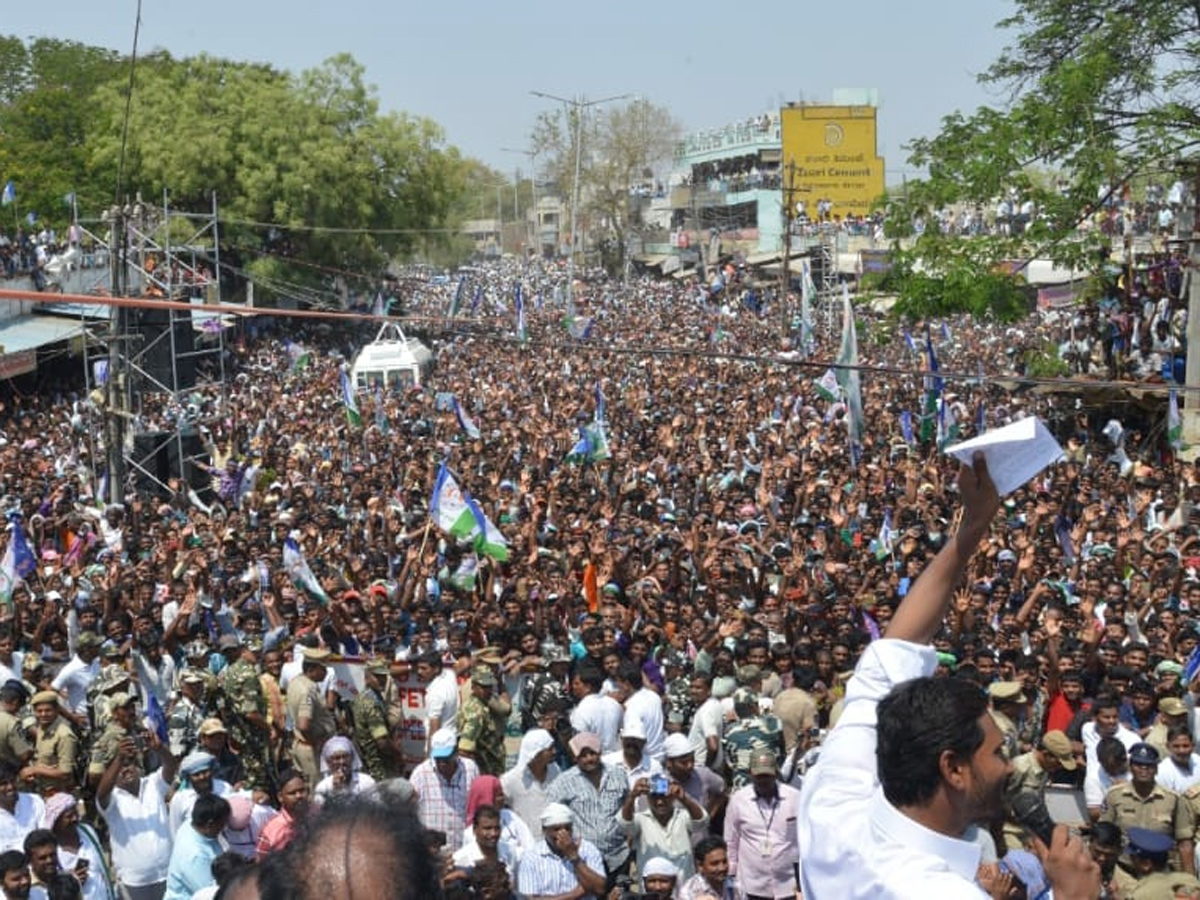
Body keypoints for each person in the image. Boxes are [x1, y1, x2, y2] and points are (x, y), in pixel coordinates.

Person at [797, 455, 1101, 899]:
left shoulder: (835, 811)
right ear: (954, 768)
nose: (1011, 766)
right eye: (997, 753)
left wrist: (973, 526)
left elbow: (890, 651)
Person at [96, 734, 177, 900]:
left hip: (168, 874)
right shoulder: (111, 800)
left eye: (129, 764)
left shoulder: (153, 784)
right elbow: (101, 794)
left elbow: (171, 766)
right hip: (134, 883)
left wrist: (160, 749)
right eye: (120, 767)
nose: (126, 769)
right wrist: (119, 758)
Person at [546, 733, 630, 884]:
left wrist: (629, 839)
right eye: (583, 755)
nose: (589, 759)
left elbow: (627, 806)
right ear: (574, 758)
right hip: (584, 859)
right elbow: (551, 815)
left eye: (592, 753)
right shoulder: (563, 782)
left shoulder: (618, 774)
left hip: (618, 856)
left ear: (600, 752)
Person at [1100, 742, 1194, 874]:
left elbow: (1185, 844)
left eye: (1149, 765)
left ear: (1156, 769)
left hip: (1161, 872)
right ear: (1130, 767)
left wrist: (1189, 883)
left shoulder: (1173, 800)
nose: (1144, 769)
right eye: (1138, 764)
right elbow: (1104, 835)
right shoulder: (1114, 796)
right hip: (1124, 870)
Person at [722, 750, 798, 900]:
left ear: (776, 773)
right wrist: (731, 876)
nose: (763, 780)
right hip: (752, 885)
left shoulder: (795, 798)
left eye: (767, 776)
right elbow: (731, 840)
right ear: (750, 773)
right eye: (759, 776)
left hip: (789, 885)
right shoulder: (738, 800)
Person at [619, 774, 708, 880]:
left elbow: (701, 822)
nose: (660, 802)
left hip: (683, 888)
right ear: (647, 798)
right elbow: (625, 826)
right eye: (654, 797)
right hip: (653, 889)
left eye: (664, 796)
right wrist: (632, 796)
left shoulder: (683, 816)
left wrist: (684, 799)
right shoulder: (640, 819)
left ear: (672, 796)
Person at [516, 804, 606, 900]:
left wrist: (574, 857)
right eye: (556, 829)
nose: (563, 834)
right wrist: (574, 894)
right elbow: (530, 898)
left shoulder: (587, 849)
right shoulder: (531, 856)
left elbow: (600, 888)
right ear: (544, 830)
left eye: (567, 828)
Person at [410, 727, 479, 853]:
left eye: (446, 758)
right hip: (433, 853)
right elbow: (410, 813)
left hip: (463, 850)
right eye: (438, 758)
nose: (442, 763)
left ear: (456, 751)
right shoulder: (420, 774)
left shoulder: (470, 769)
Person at [41, 794, 114, 900]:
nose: (75, 818)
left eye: (75, 813)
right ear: (56, 821)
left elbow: (102, 868)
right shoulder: (51, 849)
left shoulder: (87, 831)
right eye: (69, 816)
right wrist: (70, 878)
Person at [284, 647, 335, 788]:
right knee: (316, 788)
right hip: (310, 749)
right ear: (312, 669)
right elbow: (304, 725)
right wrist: (316, 742)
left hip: (303, 745)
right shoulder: (308, 690)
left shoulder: (296, 681)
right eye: (323, 669)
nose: (326, 673)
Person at [164, 794, 230, 900]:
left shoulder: (190, 824)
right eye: (222, 824)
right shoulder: (195, 856)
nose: (224, 827)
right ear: (210, 824)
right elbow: (210, 894)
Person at [500, 729, 559, 840]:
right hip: (526, 843)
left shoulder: (555, 771)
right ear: (537, 754)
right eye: (549, 749)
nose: (554, 751)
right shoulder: (510, 780)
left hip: (552, 842)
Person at [458, 667, 507, 777]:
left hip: (492, 768)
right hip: (485, 771)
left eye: (490, 686)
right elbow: (464, 749)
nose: (488, 690)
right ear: (473, 687)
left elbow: (506, 709)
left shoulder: (483, 704)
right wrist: (478, 772)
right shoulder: (476, 712)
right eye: (483, 687)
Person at [255, 769, 309, 859]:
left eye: (302, 790)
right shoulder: (270, 831)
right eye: (292, 793)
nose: (299, 796)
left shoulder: (319, 814)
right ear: (280, 797)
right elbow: (261, 866)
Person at [313, 735, 377, 805]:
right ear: (329, 762)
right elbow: (320, 813)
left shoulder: (366, 781)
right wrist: (336, 791)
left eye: (345, 757)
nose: (342, 762)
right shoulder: (323, 787)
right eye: (337, 758)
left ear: (352, 758)